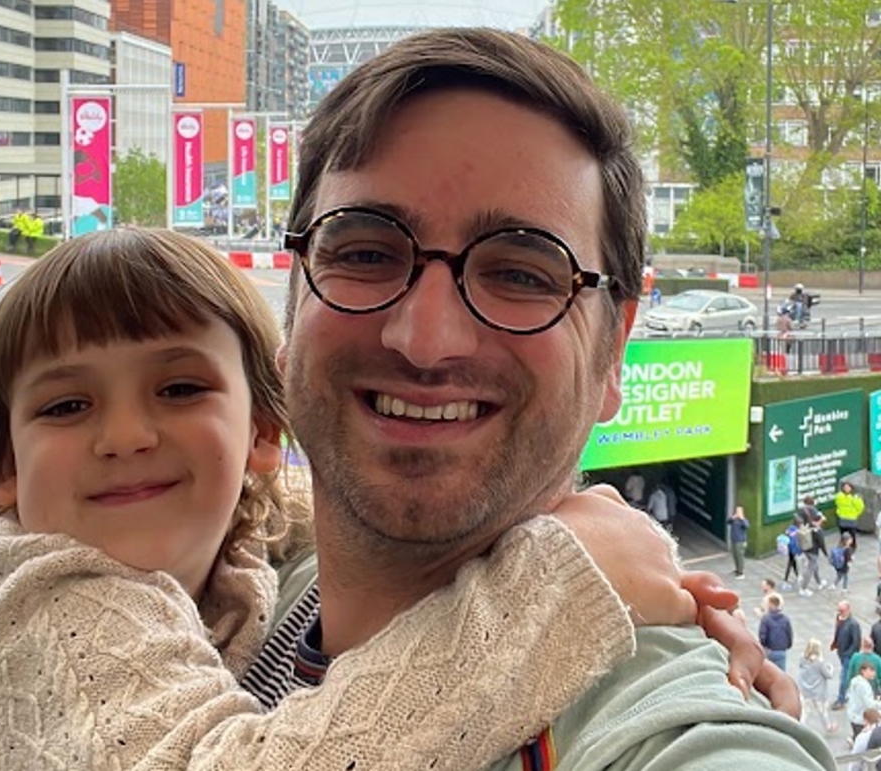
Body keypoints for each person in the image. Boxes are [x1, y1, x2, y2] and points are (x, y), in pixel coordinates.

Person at [267, 28, 830, 767]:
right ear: (291, 302)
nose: (426, 338)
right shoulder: (244, 590)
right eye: (365, 252)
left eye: (524, 273)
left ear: (613, 355)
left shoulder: (660, 733)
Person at [0, 228, 667, 769]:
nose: (124, 435)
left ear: (263, 435)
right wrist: (563, 580)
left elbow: (308, 514)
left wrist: (648, 574)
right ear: (7, 473)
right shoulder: (60, 602)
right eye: (65, 406)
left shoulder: (225, 553)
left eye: (178, 389)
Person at [798, 639, 837, 734]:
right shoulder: (819, 662)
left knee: (805, 711)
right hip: (818, 691)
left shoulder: (802, 658)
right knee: (822, 711)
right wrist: (831, 668)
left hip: (805, 689)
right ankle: (828, 726)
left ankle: (800, 727)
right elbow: (828, 675)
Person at [834, 600, 864, 710]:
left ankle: (841, 699)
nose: (839, 612)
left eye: (842, 610)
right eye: (839, 610)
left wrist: (848, 653)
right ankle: (851, 694)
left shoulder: (853, 624)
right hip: (841, 653)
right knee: (849, 676)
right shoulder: (840, 619)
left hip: (848, 654)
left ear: (848, 610)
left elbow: (856, 642)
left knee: (844, 677)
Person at [800, 502, 830, 596]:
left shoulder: (808, 525)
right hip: (813, 551)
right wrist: (826, 554)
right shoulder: (818, 531)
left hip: (806, 549)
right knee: (810, 568)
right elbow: (822, 544)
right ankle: (803, 588)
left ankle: (819, 582)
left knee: (815, 566)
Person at [759, 592, 793, 671]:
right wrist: (787, 646)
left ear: (771, 604)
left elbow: (762, 635)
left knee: (768, 673)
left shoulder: (766, 618)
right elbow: (789, 634)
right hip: (781, 650)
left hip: (770, 650)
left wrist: (764, 646)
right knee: (781, 674)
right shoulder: (785, 619)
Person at [848, 663, 881, 740]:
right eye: (871, 671)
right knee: (863, 738)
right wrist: (879, 704)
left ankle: (853, 739)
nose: (874, 673)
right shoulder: (864, 685)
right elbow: (869, 704)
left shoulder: (855, 680)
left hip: (853, 714)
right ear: (863, 671)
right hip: (861, 717)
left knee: (858, 735)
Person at [837, 481, 866, 550]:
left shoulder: (855, 497)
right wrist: (839, 512)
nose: (846, 489)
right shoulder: (839, 496)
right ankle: (844, 545)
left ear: (851, 488)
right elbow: (838, 504)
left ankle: (852, 546)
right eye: (845, 487)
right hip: (842, 518)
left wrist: (855, 514)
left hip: (851, 519)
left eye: (848, 487)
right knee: (843, 534)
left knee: (852, 534)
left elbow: (861, 507)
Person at [728, 504, 749, 579]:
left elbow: (746, 526)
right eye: (736, 511)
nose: (737, 512)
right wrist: (733, 517)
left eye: (739, 511)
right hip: (734, 540)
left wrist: (742, 518)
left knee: (740, 557)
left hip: (740, 541)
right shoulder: (734, 519)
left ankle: (741, 573)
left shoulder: (744, 520)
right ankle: (737, 569)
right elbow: (728, 522)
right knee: (735, 556)